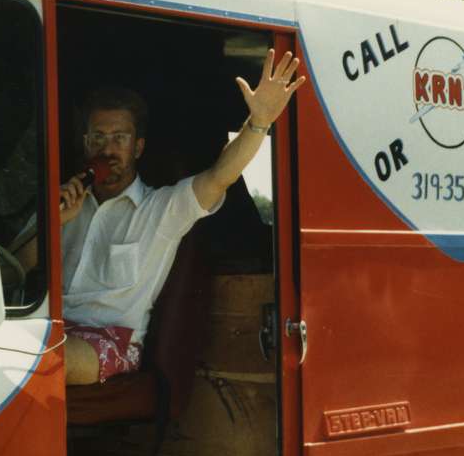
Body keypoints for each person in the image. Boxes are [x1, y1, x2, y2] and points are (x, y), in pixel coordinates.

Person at [42, 49, 304, 385]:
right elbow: (14, 268)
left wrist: (259, 123)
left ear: (137, 148)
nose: (107, 150)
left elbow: (218, 177)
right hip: (51, 328)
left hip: (109, 343)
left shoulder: (162, 209)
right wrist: (55, 222)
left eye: (119, 138)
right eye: (98, 138)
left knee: (37, 363)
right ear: (85, 143)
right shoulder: (64, 202)